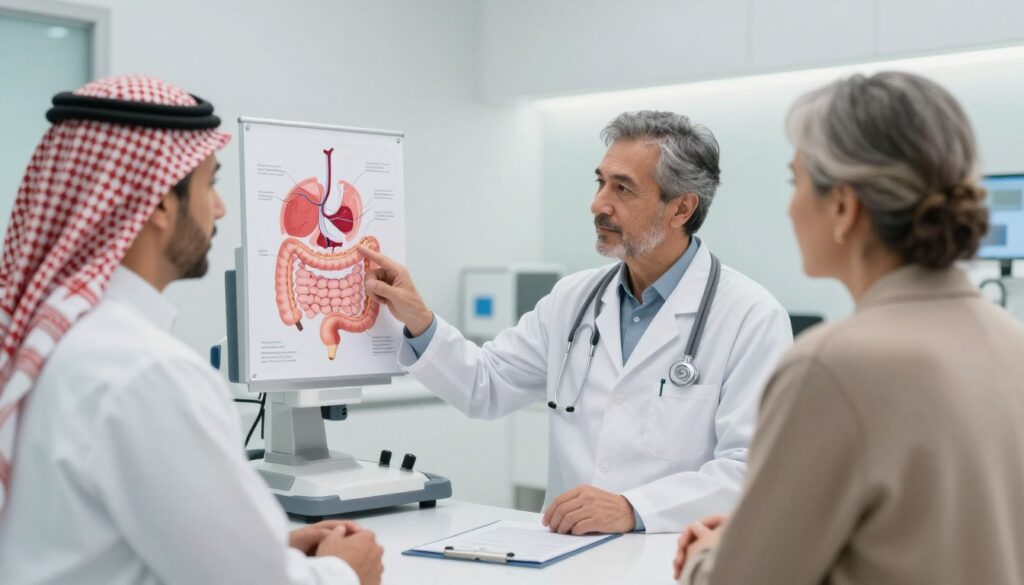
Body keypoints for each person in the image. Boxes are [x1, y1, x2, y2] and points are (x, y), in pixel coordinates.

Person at [0, 75, 383, 585]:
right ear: (159, 203)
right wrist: (346, 572)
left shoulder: (50, 345)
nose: (219, 208)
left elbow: (80, 543)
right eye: (211, 184)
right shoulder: (148, 373)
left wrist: (267, 548)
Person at [359, 111, 793, 534]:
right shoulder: (574, 298)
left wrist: (632, 508)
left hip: (671, 560)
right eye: (601, 181)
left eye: (623, 189)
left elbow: (749, 470)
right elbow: (485, 386)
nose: (598, 203)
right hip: (568, 558)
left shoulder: (750, 317)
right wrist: (418, 319)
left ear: (681, 209)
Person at [674, 72, 1024, 585]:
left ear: (842, 206)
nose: (791, 208)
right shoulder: (1011, 341)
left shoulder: (832, 366)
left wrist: (712, 553)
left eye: (796, 183)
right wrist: (765, 531)